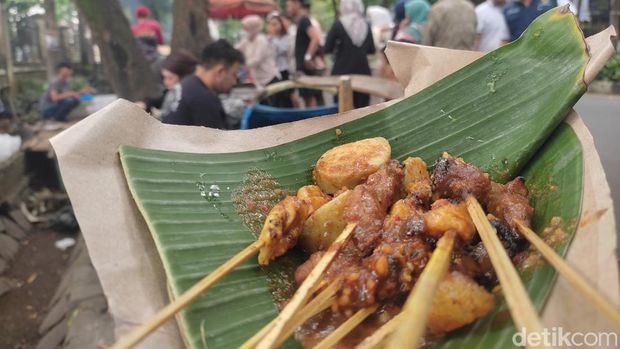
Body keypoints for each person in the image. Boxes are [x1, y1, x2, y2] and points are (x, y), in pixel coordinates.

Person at [163, 40, 244, 128]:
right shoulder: (204, 100)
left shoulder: (184, 85)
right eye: (234, 74)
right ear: (220, 71)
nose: (234, 81)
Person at [324, 0, 376, 108]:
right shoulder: (366, 24)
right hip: (363, 73)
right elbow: (371, 50)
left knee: (341, 110)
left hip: (341, 73)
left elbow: (327, 48)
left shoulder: (338, 24)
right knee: (362, 111)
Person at [287, 0, 324, 107]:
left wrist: (307, 57)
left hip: (305, 68)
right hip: (302, 67)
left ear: (297, 4)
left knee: (310, 98)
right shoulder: (300, 21)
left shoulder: (304, 20)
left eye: (289, 5)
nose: (288, 8)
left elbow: (315, 38)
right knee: (308, 97)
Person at [142, 51, 197, 118]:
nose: (166, 82)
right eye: (164, 77)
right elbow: (161, 100)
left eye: (170, 78)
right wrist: (146, 103)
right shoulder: (172, 91)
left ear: (183, 77)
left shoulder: (188, 97)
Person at [236, 15, 281, 94]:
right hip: (259, 81)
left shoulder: (261, 40)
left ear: (252, 28)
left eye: (245, 28)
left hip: (269, 78)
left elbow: (256, 60)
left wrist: (241, 64)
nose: (243, 31)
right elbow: (236, 49)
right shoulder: (247, 41)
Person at [267, 12, 295, 107]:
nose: (273, 27)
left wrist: (273, 39)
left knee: (287, 95)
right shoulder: (268, 39)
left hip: (284, 70)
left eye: (275, 24)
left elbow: (282, 49)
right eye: (271, 24)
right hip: (273, 72)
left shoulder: (286, 37)